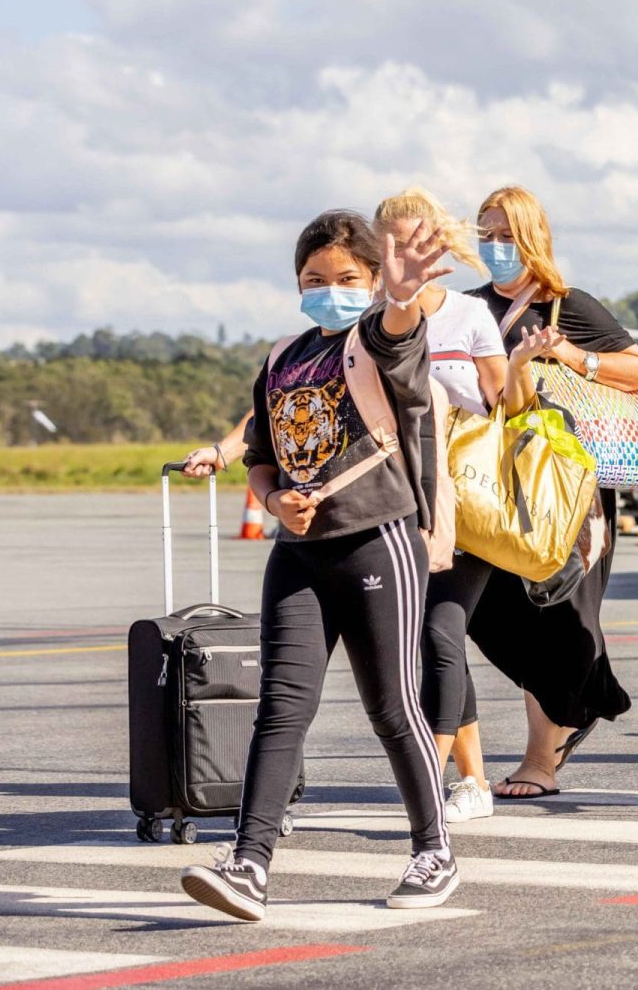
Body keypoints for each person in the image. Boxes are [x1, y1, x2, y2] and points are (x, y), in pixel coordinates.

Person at [180, 211, 460, 920]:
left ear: (371, 281)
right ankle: (249, 863)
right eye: (313, 278)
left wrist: (401, 298)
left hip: (377, 538)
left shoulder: (376, 338)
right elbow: (261, 456)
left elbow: (398, 335)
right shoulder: (285, 356)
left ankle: (434, 850)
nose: (327, 289)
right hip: (299, 553)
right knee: (281, 707)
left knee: (392, 704)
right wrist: (274, 499)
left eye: (345, 277)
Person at [464, 185, 638, 799]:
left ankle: (539, 759)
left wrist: (571, 355)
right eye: (485, 235)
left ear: (532, 238)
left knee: (557, 613)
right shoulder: (468, 308)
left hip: (564, 489)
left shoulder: (565, 305)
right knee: (491, 613)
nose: (495, 246)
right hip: (494, 487)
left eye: (506, 235)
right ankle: (582, 701)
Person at [372, 188, 508, 825]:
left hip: (466, 500)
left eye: (419, 241)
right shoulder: (369, 321)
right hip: (397, 499)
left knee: (440, 631)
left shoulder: (470, 315)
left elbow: (507, 408)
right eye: (395, 243)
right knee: (427, 642)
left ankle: (427, 776)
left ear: (441, 244)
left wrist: (522, 365)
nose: (408, 253)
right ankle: (474, 782)